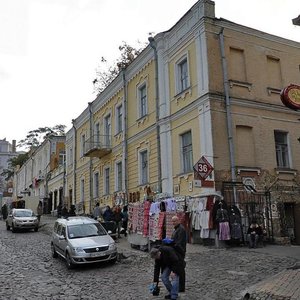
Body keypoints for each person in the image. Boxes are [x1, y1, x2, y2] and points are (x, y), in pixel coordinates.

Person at [171, 215, 187, 293]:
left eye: (174, 221)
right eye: (172, 221)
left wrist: (172, 244)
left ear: (178, 221)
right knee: (179, 269)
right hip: (177, 251)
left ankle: (181, 287)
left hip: (180, 251)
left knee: (181, 270)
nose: (173, 223)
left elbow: (179, 243)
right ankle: (180, 286)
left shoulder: (181, 229)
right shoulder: (176, 229)